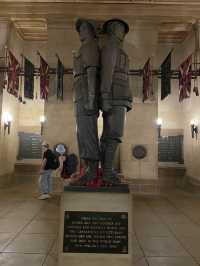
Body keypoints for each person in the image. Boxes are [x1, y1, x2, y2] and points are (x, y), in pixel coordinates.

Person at [100, 19, 133, 183]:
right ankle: (107, 172)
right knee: (114, 135)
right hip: (115, 98)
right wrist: (105, 97)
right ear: (114, 30)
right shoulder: (112, 48)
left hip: (119, 98)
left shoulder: (118, 49)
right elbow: (107, 73)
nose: (123, 33)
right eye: (121, 29)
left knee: (109, 136)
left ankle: (106, 171)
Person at [73, 18, 100, 182]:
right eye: (79, 29)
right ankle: (87, 168)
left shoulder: (90, 46)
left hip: (86, 98)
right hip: (80, 97)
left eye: (83, 28)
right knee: (82, 133)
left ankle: (92, 171)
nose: (80, 32)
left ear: (91, 31)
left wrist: (91, 98)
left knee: (88, 133)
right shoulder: (83, 47)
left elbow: (91, 72)